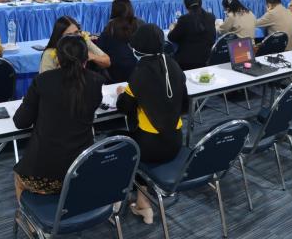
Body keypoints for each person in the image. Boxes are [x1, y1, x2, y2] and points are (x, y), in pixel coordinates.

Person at [13, 35, 104, 200]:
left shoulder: (43, 80)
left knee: (18, 178)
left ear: (58, 59)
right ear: (86, 58)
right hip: (82, 168)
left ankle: (26, 216)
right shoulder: (96, 81)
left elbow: (21, 122)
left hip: (43, 173)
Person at [116, 24, 188, 224]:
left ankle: (116, 200)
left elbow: (124, 107)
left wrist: (122, 93)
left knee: (118, 143)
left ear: (138, 46)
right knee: (139, 142)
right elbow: (184, 104)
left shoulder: (140, 72)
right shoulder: (173, 65)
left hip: (150, 147)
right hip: (175, 141)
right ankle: (142, 203)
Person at [40, 16, 110, 73]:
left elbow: (107, 62)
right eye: (69, 35)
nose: (74, 37)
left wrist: (92, 56)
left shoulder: (83, 41)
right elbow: (44, 81)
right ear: (59, 37)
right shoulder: (49, 53)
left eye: (76, 32)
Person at [98, 0, 144, 83]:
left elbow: (100, 49)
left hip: (116, 72)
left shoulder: (110, 27)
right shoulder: (140, 23)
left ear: (113, 10)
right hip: (139, 70)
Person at [168, 0, 216, 70]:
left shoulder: (184, 19)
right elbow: (212, 39)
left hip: (186, 63)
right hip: (206, 59)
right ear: (200, 3)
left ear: (186, 6)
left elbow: (171, 38)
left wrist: (172, 28)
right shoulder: (211, 17)